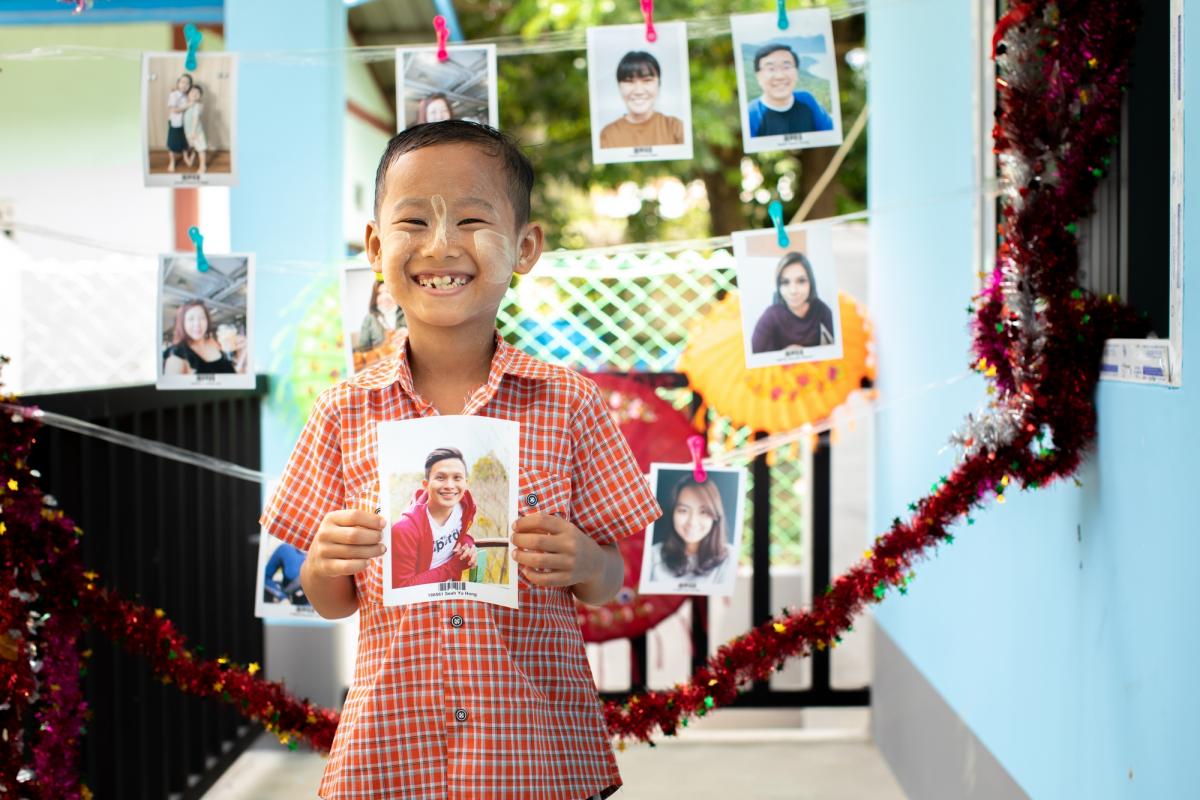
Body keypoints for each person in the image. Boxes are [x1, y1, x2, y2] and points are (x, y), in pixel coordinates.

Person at [261, 120, 661, 799]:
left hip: (538, 754)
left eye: (472, 218)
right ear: (377, 245)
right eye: (414, 220)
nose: (441, 244)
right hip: (391, 753)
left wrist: (589, 562)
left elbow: (609, 582)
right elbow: (330, 601)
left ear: (525, 247)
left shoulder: (571, 403)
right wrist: (325, 563)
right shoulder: (341, 411)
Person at [389, 447, 480, 588]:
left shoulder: (466, 505)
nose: (450, 486)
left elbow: (461, 534)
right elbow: (403, 587)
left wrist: (468, 543)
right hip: (421, 605)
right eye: (440, 477)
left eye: (457, 478)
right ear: (426, 485)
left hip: (453, 595)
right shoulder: (404, 530)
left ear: (465, 483)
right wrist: (454, 567)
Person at [644, 474, 734, 589]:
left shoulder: (730, 558)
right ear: (673, 513)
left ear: (715, 516)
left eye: (703, 512)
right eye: (683, 510)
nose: (692, 522)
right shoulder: (653, 556)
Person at [750, 251, 836, 353]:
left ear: (811, 283)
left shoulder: (819, 307)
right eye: (785, 282)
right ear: (779, 286)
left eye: (801, 281)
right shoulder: (770, 316)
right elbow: (755, 356)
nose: (793, 291)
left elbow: (844, 338)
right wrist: (785, 356)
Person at [599, 51, 685, 149]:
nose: (638, 91)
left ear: (659, 84)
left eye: (647, 80)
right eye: (629, 81)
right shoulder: (608, 135)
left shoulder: (675, 128)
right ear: (619, 86)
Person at [747, 43, 835, 138]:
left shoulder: (807, 100)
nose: (780, 76)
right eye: (771, 69)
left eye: (786, 67)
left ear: (796, 72)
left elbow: (830, 134)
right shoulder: (751, 115)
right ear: (758, 76)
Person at [162, 300, 247, 376]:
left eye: (202, 318)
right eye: (191, 319)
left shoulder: (214, 343)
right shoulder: (176, 355)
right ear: (183, 323)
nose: (197, 324)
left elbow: (234, 376)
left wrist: (244, 351)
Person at [356, 278, 405, 352]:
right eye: (379, 294)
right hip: (383, 362)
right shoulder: (369, 319)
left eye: (388, 292)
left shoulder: (408, 313)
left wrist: (409, 335)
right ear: (375, 298)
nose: (385, 297)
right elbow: (362, 350)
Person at [165, 73, 192, 172]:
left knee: (184, 142)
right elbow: (173, 109)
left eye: (188, 83)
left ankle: (186, 157)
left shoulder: (187, 96)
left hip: (185, 124)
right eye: (182, 82)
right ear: (178, 83)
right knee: (172, 144)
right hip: (175, 124)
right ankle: (172, 161)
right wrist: (187, 106)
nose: (185, 85)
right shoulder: (173, 94)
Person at [181, 84, 207, 175]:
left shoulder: (197, 106)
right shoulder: (188, 105)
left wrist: (193, 132)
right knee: (194, 147)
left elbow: (195, 119)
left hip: (196, 132)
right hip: (189, 132)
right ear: (188, 94)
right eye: (192, 92)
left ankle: (203, 166)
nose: (195, 93)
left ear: (200, 96)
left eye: (198, 93)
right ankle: (191, 158)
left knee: (201, 149)